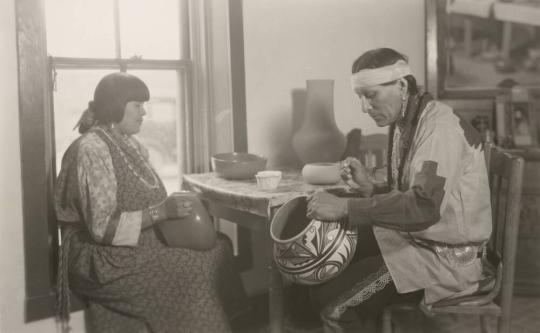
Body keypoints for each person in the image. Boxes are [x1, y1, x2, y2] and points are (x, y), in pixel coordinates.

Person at [306, 48, 492, 332]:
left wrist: (346, 206)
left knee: (335, 304)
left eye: (371, 95)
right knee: (329, 264)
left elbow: (423, 207)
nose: (364, 107)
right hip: (419, 242)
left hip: (446, 261)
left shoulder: (439, 129)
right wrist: (372, 186)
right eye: (360, 96)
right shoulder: (407, 119)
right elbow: (409, 186)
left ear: (402, 86)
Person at [54, 72, 245, 333]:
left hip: (131, 240)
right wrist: (162, 211)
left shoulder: (130, 144)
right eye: (137, 105)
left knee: (221, 246)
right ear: (115, 106)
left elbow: (145, 197)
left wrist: (180, 209)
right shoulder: (91, 149)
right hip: (98, 255)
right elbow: (102, 229)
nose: (144, 113)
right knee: (193, 268)